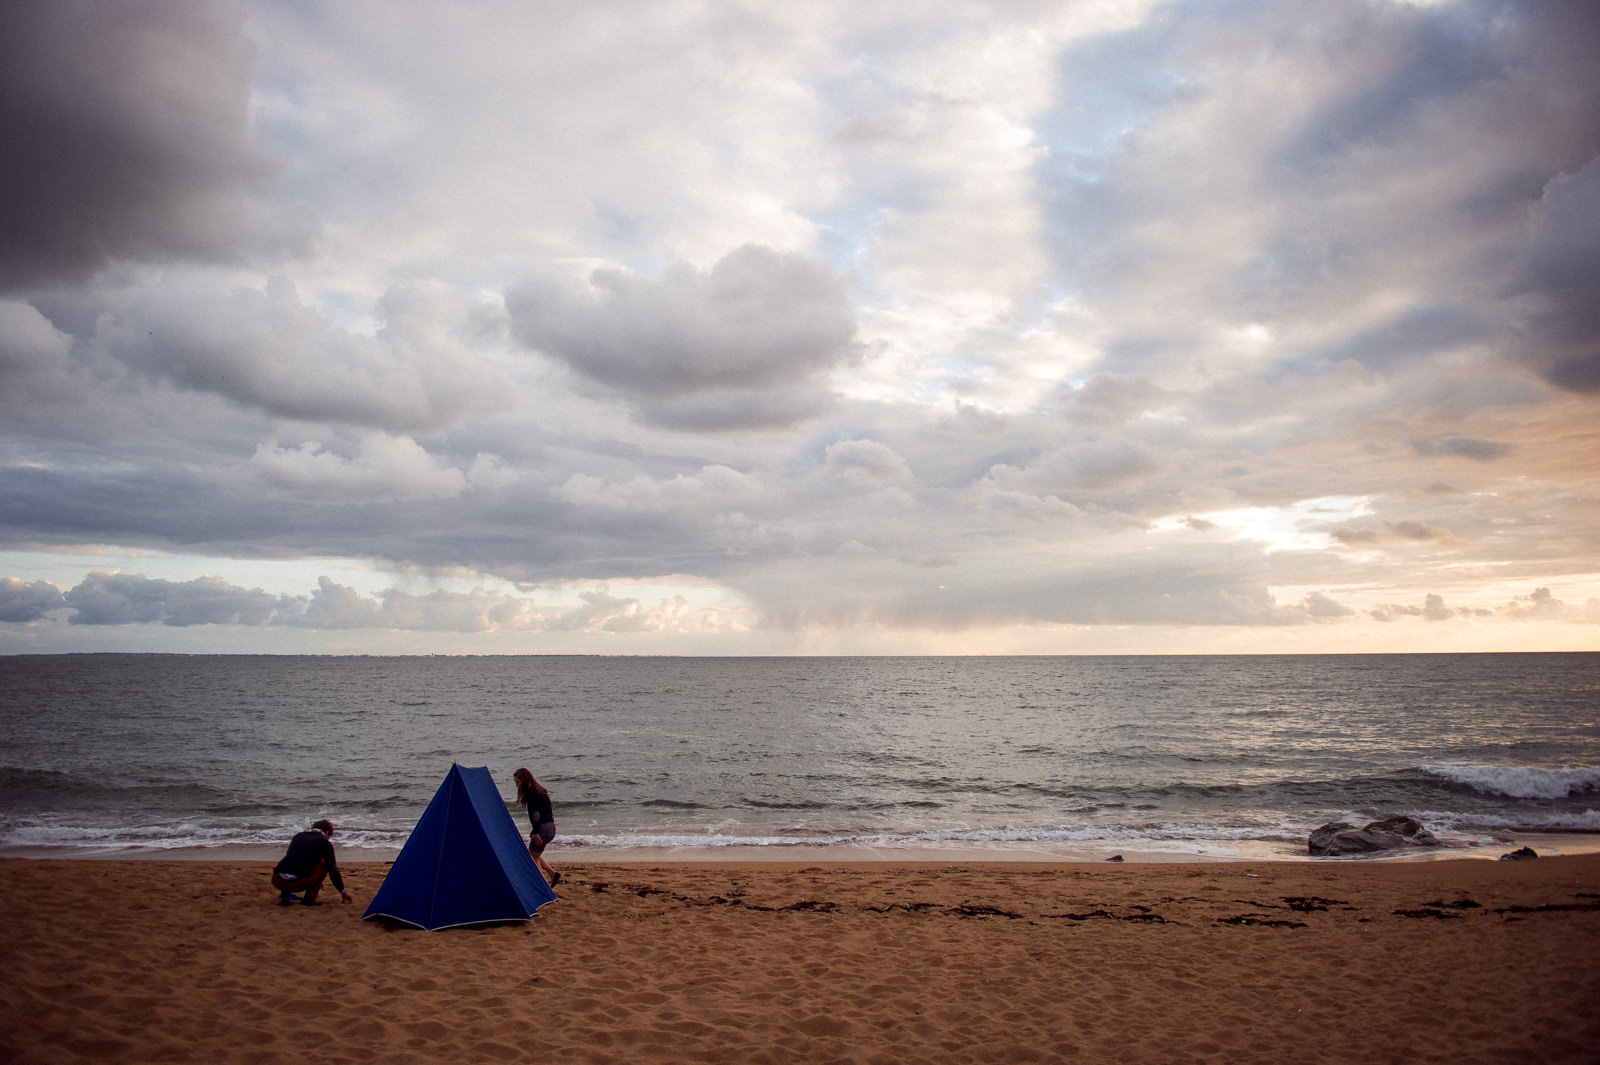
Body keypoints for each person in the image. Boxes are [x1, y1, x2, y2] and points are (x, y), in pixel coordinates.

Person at [271, 819, 353, 907]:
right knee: (324, 865)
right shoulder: (325, 843)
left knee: (292, 861)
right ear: (327, 832)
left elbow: (293, 859)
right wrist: (342, 891)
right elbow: (333, 871)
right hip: (297, 883)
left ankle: (285, 899)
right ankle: (309, 899)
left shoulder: (298, 836)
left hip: (277, 880)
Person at [513, 767, 560, 887]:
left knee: (533, 859)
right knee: (534, 854)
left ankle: (542, 886)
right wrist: (535, 830)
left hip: (543, 828)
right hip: (550, 827)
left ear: (524, 780)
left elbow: (536, 815)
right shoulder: (539, 790)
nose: (517, 786)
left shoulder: (532, 792)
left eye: (518, 782)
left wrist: (536, 832)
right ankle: (552, 874)